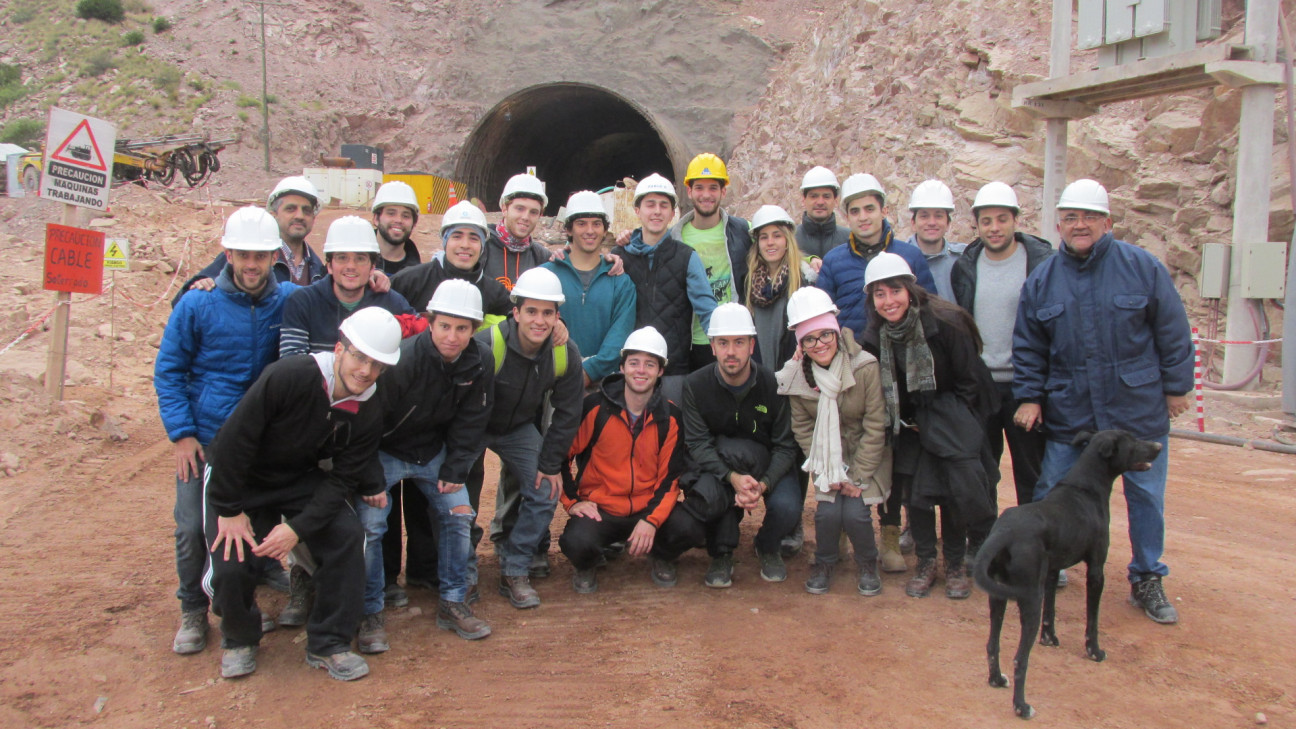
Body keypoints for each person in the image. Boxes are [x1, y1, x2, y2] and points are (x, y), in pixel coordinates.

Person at [1013, 178, 1193, 624]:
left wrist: (1176, 387)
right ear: (1058, 223)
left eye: (1089, 217)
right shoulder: (1043, 281)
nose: (1079, 225)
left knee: (1145, 497)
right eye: (1071, 218)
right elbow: (1030, 346)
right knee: (1054, 490)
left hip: (1135, 407)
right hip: (1071, 410)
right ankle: (1050, 563)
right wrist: (1031, 397)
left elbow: (1172, 330)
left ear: (1107, 222)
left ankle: (1147, 576)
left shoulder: (1142, 267)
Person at [203, 307, 399, 681]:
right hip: (242, 479)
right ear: (340, 349)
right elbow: (234, 443)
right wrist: (229, 509)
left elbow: (343, 478)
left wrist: (297, 528)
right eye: (359, 357)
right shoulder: (290, 375)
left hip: (298, 477)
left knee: (346, 537)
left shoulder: (369, 405)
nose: (366, 372)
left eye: (377, 365)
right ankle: (239, 636)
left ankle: (329, 642)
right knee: (231, 559)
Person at [155, 207, 298, 656]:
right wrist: (181, 434)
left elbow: (336, 302)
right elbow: (169, 370)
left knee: (257, 518)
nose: (251, 264)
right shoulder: (197, 303)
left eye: (259, 255)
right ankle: (193, 608)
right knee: (193, 527)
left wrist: (379, 283)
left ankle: (248, 588)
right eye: (242, 255)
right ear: (227, 253)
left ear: (274, 254)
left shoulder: (291, 299)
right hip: (207, 436)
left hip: (261, 438)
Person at [360, 280, 496, 648]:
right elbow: (369, 421)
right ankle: (369, 610)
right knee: (370, 524)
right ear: (430, 322)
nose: (452, 336)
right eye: (445, 326)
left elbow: (473, 418)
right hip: (385, 451)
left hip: (432, 452)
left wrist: (456, 468)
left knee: (459, 514)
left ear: (474, 329)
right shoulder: (402, 360)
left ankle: (453, 602)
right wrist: (369, 476)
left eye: (463, 328)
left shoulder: (480, 359)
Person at [859, 252, 999, 600]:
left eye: (895, 291)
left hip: (951, 419)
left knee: (953, 495)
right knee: (917, 497)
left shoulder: (947, 323)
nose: (888, 301)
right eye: (879, 294)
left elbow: (970, 381)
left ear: (910, 289)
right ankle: (925, 562)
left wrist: (951, 424)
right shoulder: (877, 334)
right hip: (910, 426)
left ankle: (953, 565)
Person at [472, 267, 584, 609]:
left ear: (557, 316)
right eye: (531, 311)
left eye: (547, 313)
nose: (539, 320)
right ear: (515, 311)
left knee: (545, 489)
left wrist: (550, 464)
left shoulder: (564, 353)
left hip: (518, 427)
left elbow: (567, 413)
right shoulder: (487, 345)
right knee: (458, 498)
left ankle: (515, 567)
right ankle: (460, 571)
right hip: (474, 426)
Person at [559, 326, 697, 592]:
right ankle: (590, 562)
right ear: (622, 367)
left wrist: (651, 520)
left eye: (650, 364)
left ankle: (661, 555)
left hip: (646, 507)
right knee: (576, 542)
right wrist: (573, 502)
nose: (641, 370)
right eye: (634, 363)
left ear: (661, 371)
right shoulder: (595, 409)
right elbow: (561, 457)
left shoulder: (671, 418)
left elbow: (670, 479)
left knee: (689, 526)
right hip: (602, 509)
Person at [776, 288, 890, 595]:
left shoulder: (864, 366)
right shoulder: (797, 378)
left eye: (825, 334)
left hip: (866, 456)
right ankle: (825, 561)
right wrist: (829, 469)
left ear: (837, 332)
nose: (819, 344)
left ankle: (867, 563)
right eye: (809, 338)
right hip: (825, 458)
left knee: (854, 511)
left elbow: (875, 424)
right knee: (826, 511)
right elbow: (802, 428)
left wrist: (858, 475)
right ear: (800, 344)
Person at [679, 303, 800, 587]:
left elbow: (785, 446)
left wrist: (764, 484)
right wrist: (732, 478)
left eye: (738, 342)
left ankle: (767, 545)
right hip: (721, 465)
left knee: (788, 507)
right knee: (709, 497)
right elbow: (697, 443)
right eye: (723, 342)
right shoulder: (695, 385)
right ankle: (721, 552)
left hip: (766, 465)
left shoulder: (774, 384)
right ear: (712, 346)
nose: (731, 351)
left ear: (751, 345)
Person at [949, 182, 1052, 510]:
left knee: (1031, 470)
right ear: (976, 225)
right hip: (982, 386)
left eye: (1002, 219)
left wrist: (1035, 393)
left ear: (1016, 221)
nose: (994, 228)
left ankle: (1033, 543)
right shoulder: (965, 266)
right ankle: (985, 540)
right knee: (983, 466)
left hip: (1025, 386)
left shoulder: (1040, 264)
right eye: (987, 221)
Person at [741, 204, 817, 556]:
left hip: (796, 379)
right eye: (764, 237)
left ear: (788, 238)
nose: (771, 243)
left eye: (777, 236)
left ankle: (792, 519)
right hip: (763, 378)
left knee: (796, 447)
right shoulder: (751, 281)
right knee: (769, 443)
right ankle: (778, 512)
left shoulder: (805, 277)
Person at [612, 173, 718, 376]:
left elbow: (707, 312)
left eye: (663, 205)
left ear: (672, 214)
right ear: (637, 210)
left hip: (673, 369)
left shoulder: (687, 257)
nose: (657, 212)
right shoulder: (618, 257)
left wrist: (725, 347)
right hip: (629, 369)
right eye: (650, 204)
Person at [817, 173, 936, 335]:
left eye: (869, 209)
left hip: (902, 353)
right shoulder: (833, 261)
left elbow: (930, 311)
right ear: (847, 217)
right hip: (854, 355)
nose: (863, 217)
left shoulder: (911, 256)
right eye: (855, 211)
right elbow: (822, 317)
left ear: (884, 211)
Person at [175, 177, 327, 304]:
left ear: (313, 218)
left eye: (306, 210)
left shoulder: (318, 268)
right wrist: (199, 285)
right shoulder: (247, 253)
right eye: (291, 209)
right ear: (273, 215)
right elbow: (184, 302)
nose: (299, 216)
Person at [280, 216, 415, 358]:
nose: (351, 266)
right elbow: (292, 363)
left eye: (360, 259)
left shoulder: (392, 304)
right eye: (342, 258)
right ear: (330, 265)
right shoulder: (303, 302)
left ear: (372, 267)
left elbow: (418, 345)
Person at [543, 190, 638, 390]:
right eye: (581, 223)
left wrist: (587, 372)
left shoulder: (620, 283)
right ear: (569, 230)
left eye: (596, 224)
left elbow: (618, 338)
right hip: (552, 382)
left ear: (605, 230)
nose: (590, 230)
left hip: (605, 385)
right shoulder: (546, 276)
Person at [669, 153, 751, 371]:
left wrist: (810, 259)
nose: (706, 195)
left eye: (713, 187)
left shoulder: (742, 231)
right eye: (700, 188)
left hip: (732, 340)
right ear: (689, 191)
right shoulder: (673, 238)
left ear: (723, 191)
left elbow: (778, 241)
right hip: (692, 343)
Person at [390, 200, 512, 326]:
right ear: (445, 241)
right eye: (457, 236)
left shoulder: (494, 291)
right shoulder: (411, 281)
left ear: (482, 246)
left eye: (474, 238)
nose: (465, 245)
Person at [485, 173, 553, 291]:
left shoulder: (541, 257)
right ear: (504, 208)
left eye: (533, 212)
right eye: (520, 209)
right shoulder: (482, 247)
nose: (526, 217)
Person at [905, 179, 966, 301]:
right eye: (924, 216)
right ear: (913, 223)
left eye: (938, 216)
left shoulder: (964, 257)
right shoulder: (899, 259)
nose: (932, 222)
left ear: (948, 223)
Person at [794, 166, 850, 265]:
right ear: (803, 200)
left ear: (836, 200)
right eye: (814, 196)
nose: (820, 202)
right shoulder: (790, 238)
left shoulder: (849, 239)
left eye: (826, 196)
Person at [371, 180, 423, 276]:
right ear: (376, 219)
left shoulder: (419, 276)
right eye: (391, 213)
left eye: (406, 216)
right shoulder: (356, 268)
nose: (398, 220)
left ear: (414, 223)